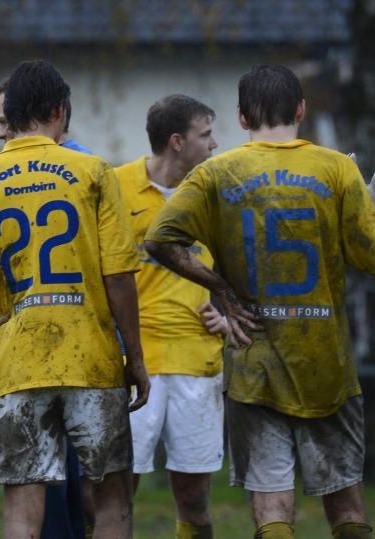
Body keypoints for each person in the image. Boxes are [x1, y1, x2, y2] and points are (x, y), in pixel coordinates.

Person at [0, 59, 150, 538]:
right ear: (59, 111)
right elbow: (118, 275)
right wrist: (135, 358)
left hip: (17, 362)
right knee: (112, 499)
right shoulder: (94, 171)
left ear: (8, 116)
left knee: (21, 504)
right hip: (92, 360)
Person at [145, 65, 373, 539]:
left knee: (271, 506)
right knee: (347, 504)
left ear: (242, 117)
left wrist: (224, 292)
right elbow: (368, 254)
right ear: (301, 110)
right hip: (324, 361)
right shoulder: (337, 168)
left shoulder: (216, 171)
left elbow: (160, 239)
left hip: (255, 360)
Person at [114, 94, 227, 539]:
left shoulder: (213, 194)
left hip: (195, 361)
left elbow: (233, 268)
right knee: (116, 495)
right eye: (206, 135)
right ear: (177, 142)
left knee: (195, 500)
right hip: (131, 361)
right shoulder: (116, 186)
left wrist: (225, 313)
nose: (215, 144)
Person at [0, 80, 93, 539]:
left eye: (3, 124)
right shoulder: (91, 168)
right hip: (76, 354)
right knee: (70, 491)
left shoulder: (0, 183)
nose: (0, 136)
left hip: (38, 353)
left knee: (47, 490)